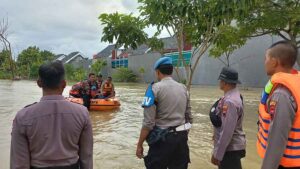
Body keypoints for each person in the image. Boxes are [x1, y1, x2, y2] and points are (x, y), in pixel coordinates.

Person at [10, 61, 93, 169]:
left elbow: (19, 163)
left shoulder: (23, 116)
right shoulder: (82, 113)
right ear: (64, 84)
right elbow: (87, 156)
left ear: (39, 83)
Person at [136, 57, 192, 169]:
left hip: (162, 141)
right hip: (181, 140)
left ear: (157, 72)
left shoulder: (153, 89)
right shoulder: (184, 88)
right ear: (171, 71)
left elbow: (148, 123)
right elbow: (189, 117)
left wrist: (139, 144)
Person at [257, 41, 300, 169]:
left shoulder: (281, 94)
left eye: (266, 58)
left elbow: (277, 140)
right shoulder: (296, 83)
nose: (264, 62)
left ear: (274, 62)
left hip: (287, 164)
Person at [211, 67, 246, 169]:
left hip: (230, 149)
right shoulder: (235, 95)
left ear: (225, 82)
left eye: (220, 80)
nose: (219, 83)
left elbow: (227, 132)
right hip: (232, 147)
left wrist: (217, 154)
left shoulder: (230, 101)